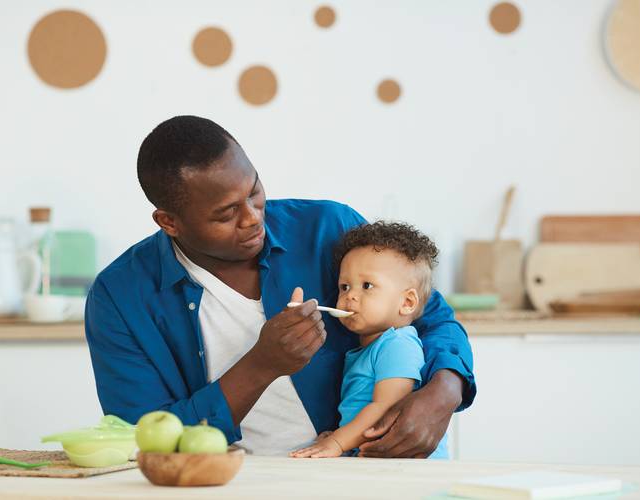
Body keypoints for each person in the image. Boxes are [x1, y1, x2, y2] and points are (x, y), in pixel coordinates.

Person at [85, 115, 476, 457]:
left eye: (254, 191)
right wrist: (261, 365)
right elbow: (145, 441)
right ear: (169, 222)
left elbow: (432, 317)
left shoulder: (328, 229)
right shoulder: (120, 297)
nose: (253, 218)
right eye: (226, 214)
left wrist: (444, 394)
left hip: (355, 474)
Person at [291, 221, 448, 458]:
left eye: (367, 285)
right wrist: (339, 434)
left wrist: (337, 442)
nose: (350, 295)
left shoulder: (398, 345)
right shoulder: (368, 348)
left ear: (407, 303)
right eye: (344, 287)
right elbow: (361, 406)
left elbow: (386, 407)